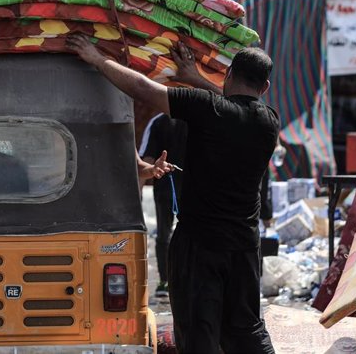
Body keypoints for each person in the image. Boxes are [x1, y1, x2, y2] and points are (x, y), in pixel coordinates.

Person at [67, 34, 279, 354]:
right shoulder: (269, 122)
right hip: (245, 246)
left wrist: (96, 58)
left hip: (200, 245)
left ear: (229, 75)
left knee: (198, 332)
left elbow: (142, 88)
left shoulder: (205, 108)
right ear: (264, 88)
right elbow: (232, 105)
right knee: (246, 328)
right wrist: (194, 77)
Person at [139, 113, 187, 298]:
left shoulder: (157, 122)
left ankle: (165, 282)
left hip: (166, 188)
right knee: (189, 234)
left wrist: (139, 191)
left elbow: (148, 160)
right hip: (188, 188)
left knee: (164, 234)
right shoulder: (194, 116)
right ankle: (181, 279)